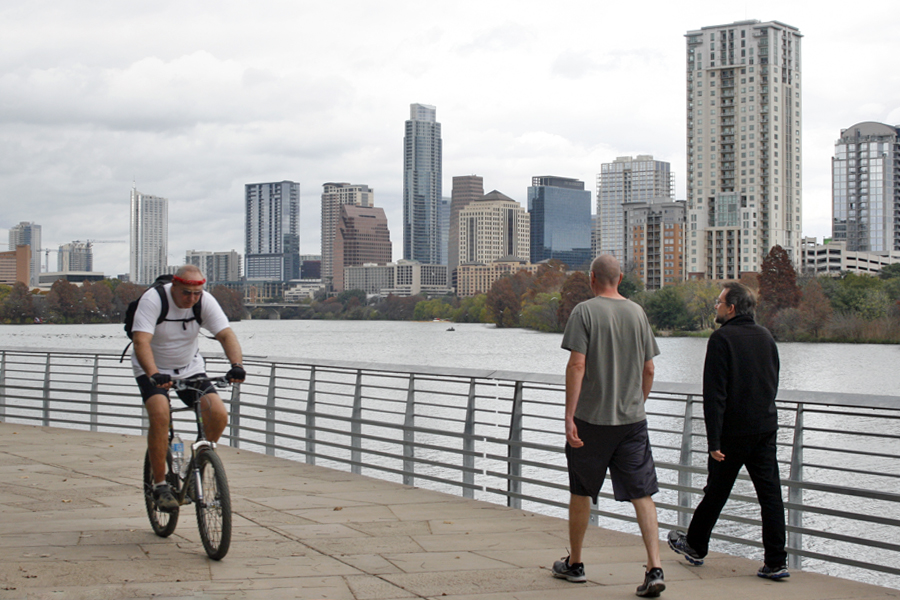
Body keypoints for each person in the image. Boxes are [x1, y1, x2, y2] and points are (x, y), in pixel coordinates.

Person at [551, 255, 665, 598]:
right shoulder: (637, 313)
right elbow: (649, 370)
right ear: (618, 279)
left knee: (581, 491)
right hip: (632, 420)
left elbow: (577, 365)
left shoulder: (584, 312)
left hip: (591, 420)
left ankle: (576, 564)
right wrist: (638, 402)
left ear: (592, 279)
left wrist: (569, 416)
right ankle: (655, 566)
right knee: (642, 493)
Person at [668, 282, 789, 580]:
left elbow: (715, 395)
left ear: (732, 308)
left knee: (716, 492)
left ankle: (696, 546)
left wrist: (714, 441)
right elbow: (772, 382)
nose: (716, 306)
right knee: (770, 496)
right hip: (764, 429)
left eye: (719, 302)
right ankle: (775, 561)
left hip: (732, 434)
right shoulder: (766, 337)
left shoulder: (722, 339)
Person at [132, 265, 246, 510]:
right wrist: (153, 374)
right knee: (160, 414)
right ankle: (160, 485)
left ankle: (197, 467)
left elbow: (226, 334)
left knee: (218, 415)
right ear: (174, 286)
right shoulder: (153, 300)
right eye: (186, 293)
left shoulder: (204, 301)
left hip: (189, 367)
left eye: (196, 294)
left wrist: (236, 365)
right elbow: (141, 341)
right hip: (151, 367)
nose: (192, 299)